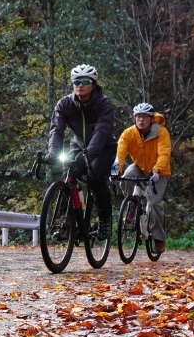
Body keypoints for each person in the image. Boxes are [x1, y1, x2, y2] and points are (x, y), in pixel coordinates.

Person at [46, 64, 114, 234]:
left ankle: (105, 218)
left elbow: (102, 131)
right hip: (78, 144)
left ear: (93, 84)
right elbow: (57, 130)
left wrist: (90, 154)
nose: (80, 84)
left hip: (104, 146)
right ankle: (66, 222)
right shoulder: (65, 103)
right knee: (69, 173)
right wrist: (53, 153)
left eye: (85, 81)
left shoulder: (103, 103)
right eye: (76, 81)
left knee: (93, 176)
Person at [115, 102, 171, 254]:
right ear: (134, 119)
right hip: (139, 167)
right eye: (138, 116)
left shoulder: (161, 132)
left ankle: (159, 239)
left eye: (145, 116)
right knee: (127, 176)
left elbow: (164, 153)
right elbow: (120, 151)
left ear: (152, 118)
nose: (141, 120)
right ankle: (132, 205)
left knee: (153, 203)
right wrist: (116, 169)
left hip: (159, 172)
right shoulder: (128, 133)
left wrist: (158, 170)